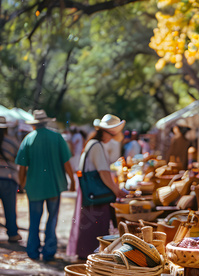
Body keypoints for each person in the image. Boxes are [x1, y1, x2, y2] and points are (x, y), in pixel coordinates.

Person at [16, 109, 75, 261]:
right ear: (46, 122)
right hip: (54, 186)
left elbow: (21, 167)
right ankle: (49, 251)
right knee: (52, 219)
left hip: (34, 187)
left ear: (34, 124)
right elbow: (66, 162)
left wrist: (21, 183)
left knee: (34, 220)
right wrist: (72, 180)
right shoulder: (57, 137)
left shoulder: (28, 139)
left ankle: (33, 251)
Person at [67, 114, 127, 260]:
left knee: (87, 225)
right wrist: (116, 190)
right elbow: (104, 172)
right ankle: (90, 254)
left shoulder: (91, 144)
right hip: (96, 194)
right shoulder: (97, 146)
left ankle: (84, 252)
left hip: (89, 191)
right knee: (95, 226)